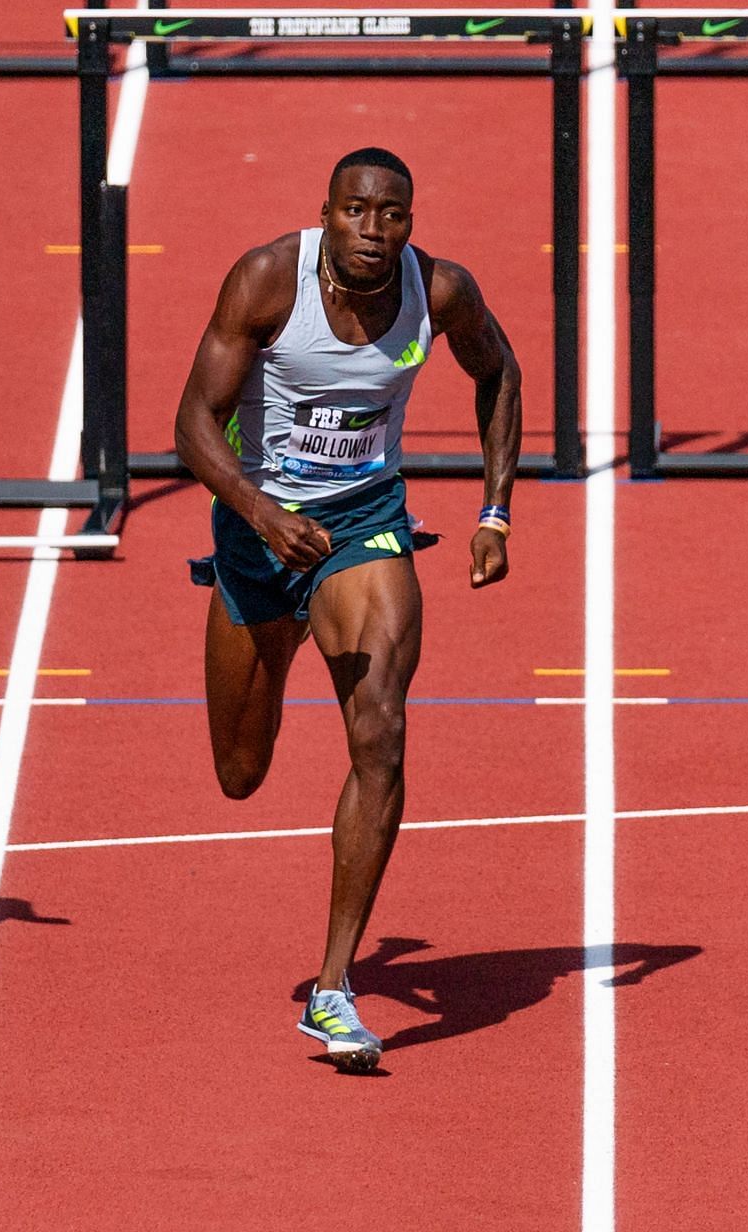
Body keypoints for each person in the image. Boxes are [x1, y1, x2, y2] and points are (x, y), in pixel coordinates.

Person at [173, 147, 520, 1071]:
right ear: (326, 214)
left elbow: (501, 371)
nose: (376, 232)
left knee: (382, 731)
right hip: (257, 533)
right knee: (240, 773)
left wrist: (494, 511)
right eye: (358, 213)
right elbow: (192, 426)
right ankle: (278, 638)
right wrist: (259, 512)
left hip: (364, 527)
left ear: (411, 221)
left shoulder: (438, 291)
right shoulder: (265, 281)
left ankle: (333, 989)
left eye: (394, 215)